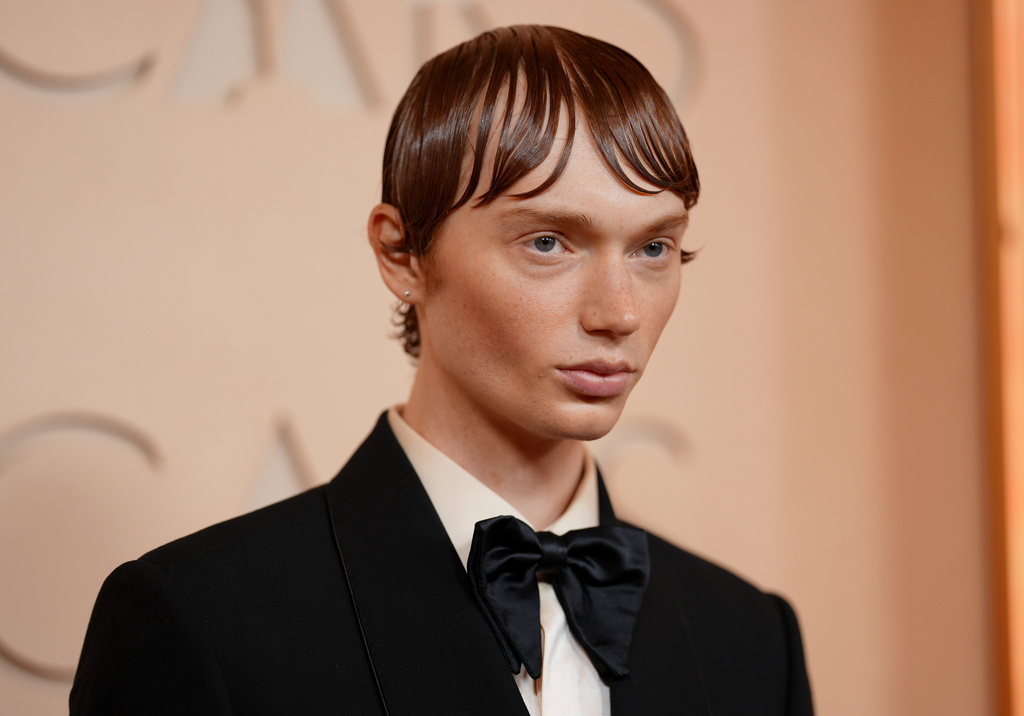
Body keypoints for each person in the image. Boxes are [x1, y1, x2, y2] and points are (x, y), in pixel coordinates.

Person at [71, 25, 814, 715]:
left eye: (654, 248)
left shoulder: (751, 638)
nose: (618, 313)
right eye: (550, 241)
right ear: (402, 255)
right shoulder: (201, 620)